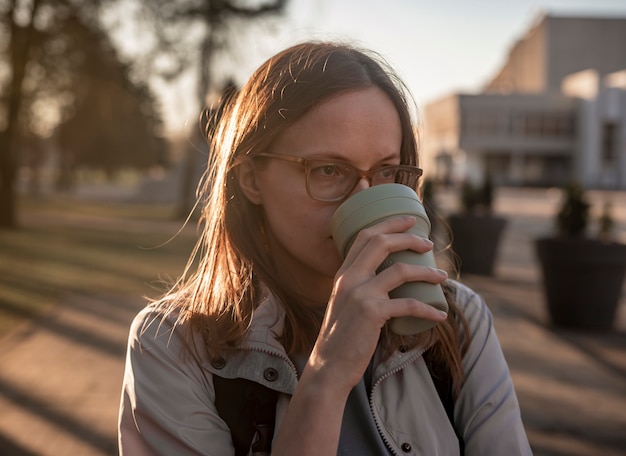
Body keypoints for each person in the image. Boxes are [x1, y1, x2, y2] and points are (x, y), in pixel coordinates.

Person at [118, 41, 532, 455]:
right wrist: (328, 373)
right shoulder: (173, 346)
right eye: (329, 170)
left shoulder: (458, 323)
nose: (362, 201)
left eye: (386, 171)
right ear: (251, 179)